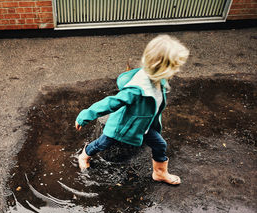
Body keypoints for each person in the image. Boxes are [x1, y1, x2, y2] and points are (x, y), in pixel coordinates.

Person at [75, 35, 189, 185]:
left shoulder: (159, 80)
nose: (177, 71)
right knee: (103, 143)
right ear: (161, 67)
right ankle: (85, 155)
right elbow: (111, 102)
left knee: (160, 145)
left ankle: (159, 173)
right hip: (122, 127)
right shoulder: (137, 89)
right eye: (174, 67)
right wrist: (85, 115)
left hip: (144, 126)